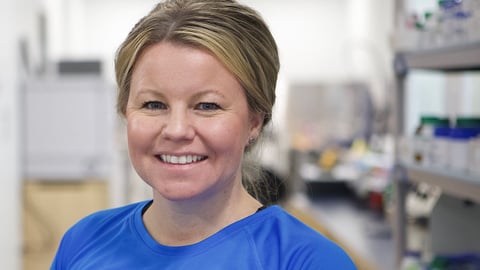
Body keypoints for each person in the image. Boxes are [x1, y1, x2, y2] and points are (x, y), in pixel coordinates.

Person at [51, 0, 357, 269]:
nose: (176, 130)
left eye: (207, 105)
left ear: (254, 121)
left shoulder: (306, 261)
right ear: (125, 112)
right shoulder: (83, 243)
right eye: (153, 104)